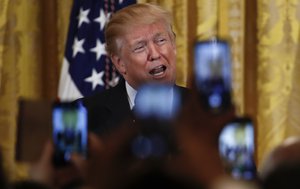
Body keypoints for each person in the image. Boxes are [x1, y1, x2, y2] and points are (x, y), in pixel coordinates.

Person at [80, 3, 189, 136]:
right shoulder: (85, 116)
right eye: (139, 47)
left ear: (173, 45)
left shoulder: (207, 111)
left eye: (160, 40)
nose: (154, 54)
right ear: (120, 63)